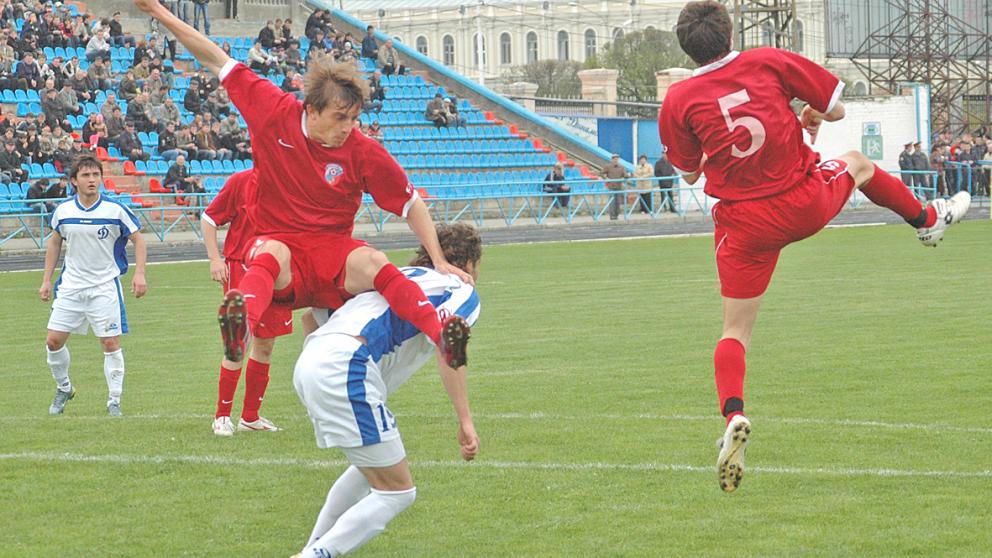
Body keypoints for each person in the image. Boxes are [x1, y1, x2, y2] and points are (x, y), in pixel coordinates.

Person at [658, 0, 971, 493]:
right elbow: (836, 107)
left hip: (744, 225)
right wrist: (808, 114)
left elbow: (690, 173)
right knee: (857, 163)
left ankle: (733, 416)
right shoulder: (766, 61)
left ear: (687, 48)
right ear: (730, 33)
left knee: (735, 331)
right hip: (800, 202)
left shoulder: (678, 99)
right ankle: (927, 221)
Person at [136, 0, 473, 374]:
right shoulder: (273, 110)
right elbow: (215, 58)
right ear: (311, 110)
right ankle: (240, 327)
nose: (348, 127)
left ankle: (442, 335)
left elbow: (411, 204)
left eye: (354, 118)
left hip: (332, 255)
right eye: (340, 117)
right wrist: (157, 11)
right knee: (269, 253)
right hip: (281, 253)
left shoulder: (363, 151)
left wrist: (438, 259)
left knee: (376, 261)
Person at [290, 223, 481, 558]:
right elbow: (448, 342)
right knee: (397, 492)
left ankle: (311, 548)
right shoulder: (459, 287)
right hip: (347, 366)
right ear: (468, 263)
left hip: (312, 361)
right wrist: (465, 420)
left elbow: (310, 317)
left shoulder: (393, 275)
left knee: (369, 471)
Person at [38, 153, 148, 417]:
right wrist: (46, 280)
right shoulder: (64, 211)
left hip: (104, 286)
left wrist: (140, 274)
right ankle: (64, 388)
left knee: (110, 342)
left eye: (96, 175)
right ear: (74, 180)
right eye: (85, 175)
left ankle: (114, 401)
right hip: (71, 286)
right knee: (53, 341)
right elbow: (54, 242)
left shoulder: (115, 210)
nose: (92, 180)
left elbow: (139, 240)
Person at [201, 170, 297, 434]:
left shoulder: (293, 180)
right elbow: (209, 219)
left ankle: (250, 418)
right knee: (238, 342)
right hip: (242, 267)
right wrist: (214, 259)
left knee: (266, 344)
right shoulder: (241, 181)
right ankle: (222, 416)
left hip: (277, 269)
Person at [602, 153, 629, 220]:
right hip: (611, 186)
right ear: (612, 160)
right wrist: (606, 178)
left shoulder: (622, 167)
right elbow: (602, 173)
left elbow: (625, 175)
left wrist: (627, 176)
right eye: (614, 159)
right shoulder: (608, 166)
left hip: (619, 186)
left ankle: (616, 215)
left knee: (618, 202)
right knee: (612, 201)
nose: (615, 160)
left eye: (617, 159)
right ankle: (612, 215)